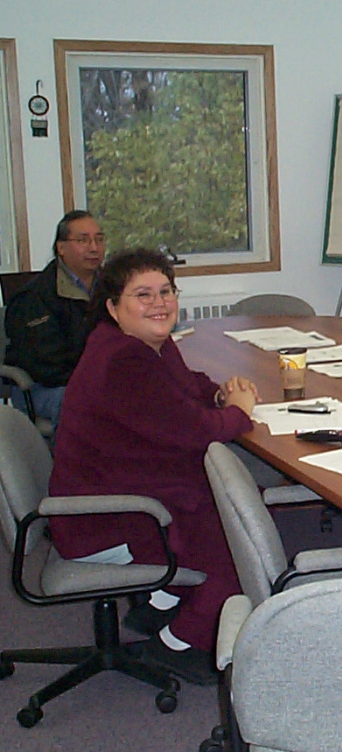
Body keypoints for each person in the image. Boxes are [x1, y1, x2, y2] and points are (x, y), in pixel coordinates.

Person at [47, 248, 260, 685]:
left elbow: (184, 389)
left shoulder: (139, 344)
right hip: (105, 516)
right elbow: (193, 432)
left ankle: (159, 603)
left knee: (226, 505)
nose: (159, 303)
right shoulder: (125, 360)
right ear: (113, 306)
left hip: (120, 485)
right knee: (242, 545)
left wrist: (220, 395)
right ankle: (179, 644)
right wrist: (239, 413)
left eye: (166, 291)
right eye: (142, 294)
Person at [4, 210, 106, 428]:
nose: (94, 247)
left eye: (99, 239)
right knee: (80, 403)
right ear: (61, 248)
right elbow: (47, 366)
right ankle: (73, 463)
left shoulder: (113, 288)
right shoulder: (34, 298)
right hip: (44, 387)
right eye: (83, 240)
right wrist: (95, 381)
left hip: (96, 379)